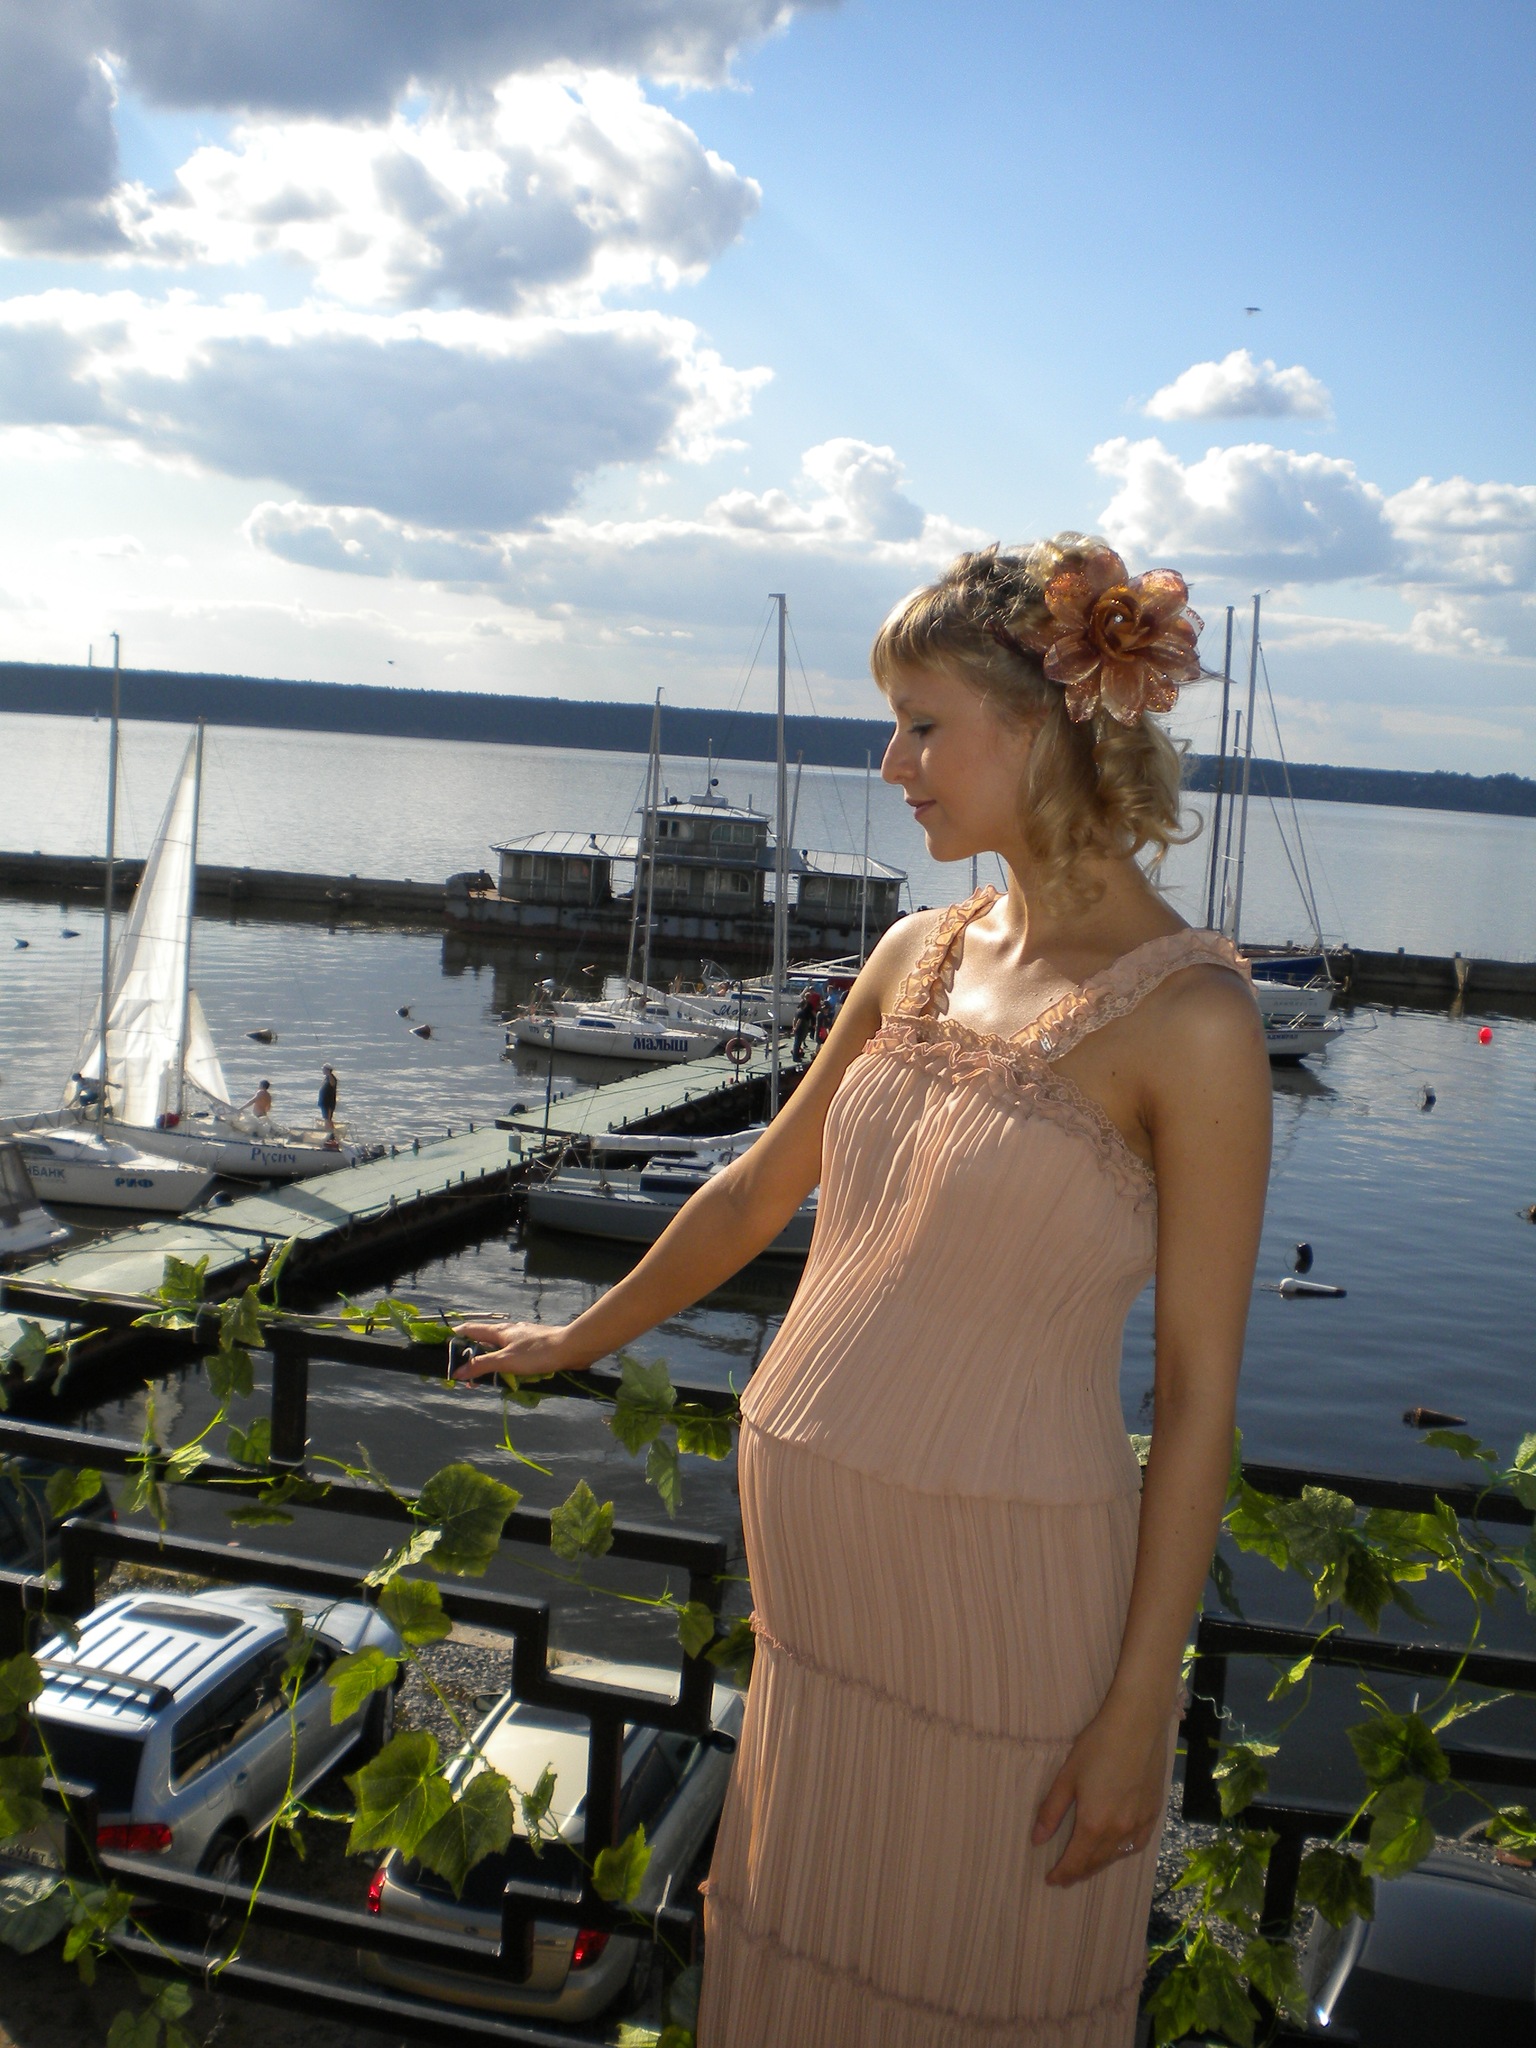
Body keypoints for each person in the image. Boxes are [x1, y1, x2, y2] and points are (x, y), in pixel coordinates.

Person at [452, 534, 1271, 2047]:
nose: (890, 764)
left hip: (999, 1618)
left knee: (969, 1986)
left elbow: (1200, 1393)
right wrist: (576, 1333)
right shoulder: (916, 951)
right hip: (821, 1629)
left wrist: (1138, 1708)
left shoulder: (1196, 1018)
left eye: (920, 724)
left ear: (1043, 724)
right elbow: (755, 1190)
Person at [790, 984, 821, 1061]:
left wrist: (793, 1027)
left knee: (798, 1041)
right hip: (802, 1025)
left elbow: (795, 1019)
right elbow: (800, 1020)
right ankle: (795, 1056)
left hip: (802, 1024)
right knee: (798, 1041)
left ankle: (796, 1053)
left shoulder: (798, 1010)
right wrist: (795, 1028)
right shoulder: (804, 1010)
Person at [318, 1064, 338, 1141]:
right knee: (326, 1119)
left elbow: (332, 1084)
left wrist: (329, 1074)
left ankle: (331, 1136)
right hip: (324, 1102)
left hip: (328, 1102)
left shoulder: (331, 1078)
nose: (322, 1071)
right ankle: (329, 1134)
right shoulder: (326, 1078)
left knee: (328, 1119)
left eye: (324, 1069)